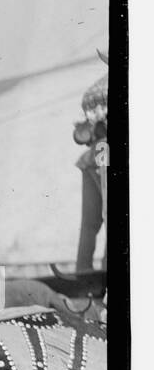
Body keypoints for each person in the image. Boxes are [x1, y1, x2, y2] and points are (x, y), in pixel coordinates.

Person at [73, 49, 108, 273]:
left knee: (90, 222)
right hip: (105, 156)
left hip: (92, 159)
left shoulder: (96, 93)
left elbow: (81, 136)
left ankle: (82, 270)